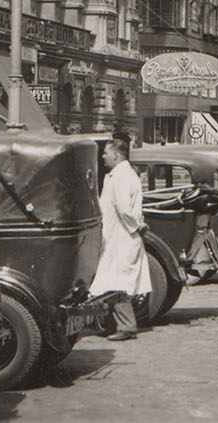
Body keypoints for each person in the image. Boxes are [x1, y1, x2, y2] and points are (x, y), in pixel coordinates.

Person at [92, 137, 151, 341]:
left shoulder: (121, 177)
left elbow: (125, 209)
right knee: (111, 280)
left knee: (117, 282)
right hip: (117, 236)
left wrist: (137, 226)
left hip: (122, 237)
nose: (103, 157)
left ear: (116, 155)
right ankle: (112, 323)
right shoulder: (119, 174)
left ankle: (127, 326)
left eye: (106, 153)